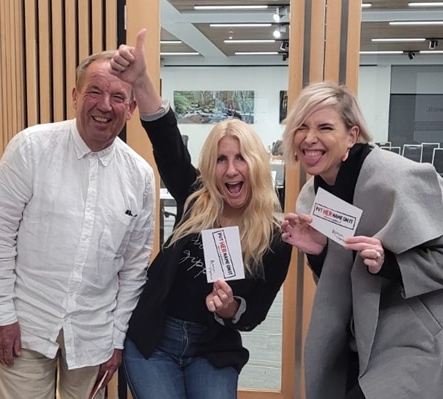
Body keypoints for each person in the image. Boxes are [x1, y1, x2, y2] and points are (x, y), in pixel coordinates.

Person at [280, 81, 443, 399]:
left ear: (352, 134)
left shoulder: (399, 178)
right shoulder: (313, 195)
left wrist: (392, 264)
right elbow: (346, 281)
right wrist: (320, 254)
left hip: (425, 338)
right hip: (367, 337)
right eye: (301, 127)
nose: (309, 138)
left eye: (324, 127)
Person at [110, 29, 292, 399]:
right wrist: (141, 81)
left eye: (240, 158)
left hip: (211, 349)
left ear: (255, 166)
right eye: (221, 159)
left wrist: (230, 308)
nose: (230, 170)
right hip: (154, 342)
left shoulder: (275, 237)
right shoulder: (196, 198)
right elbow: (167, 141)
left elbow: (254, 315)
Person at [0, 50, 156, 399]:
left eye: (118, 97)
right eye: (94, 91)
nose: (105, 105)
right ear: (75, 96)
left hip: (94, 331)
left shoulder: (140, 177)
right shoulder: (31, 148)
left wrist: (117, 340)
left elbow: (134, 268)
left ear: (131, 109)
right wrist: (1, 315)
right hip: (25, 323)